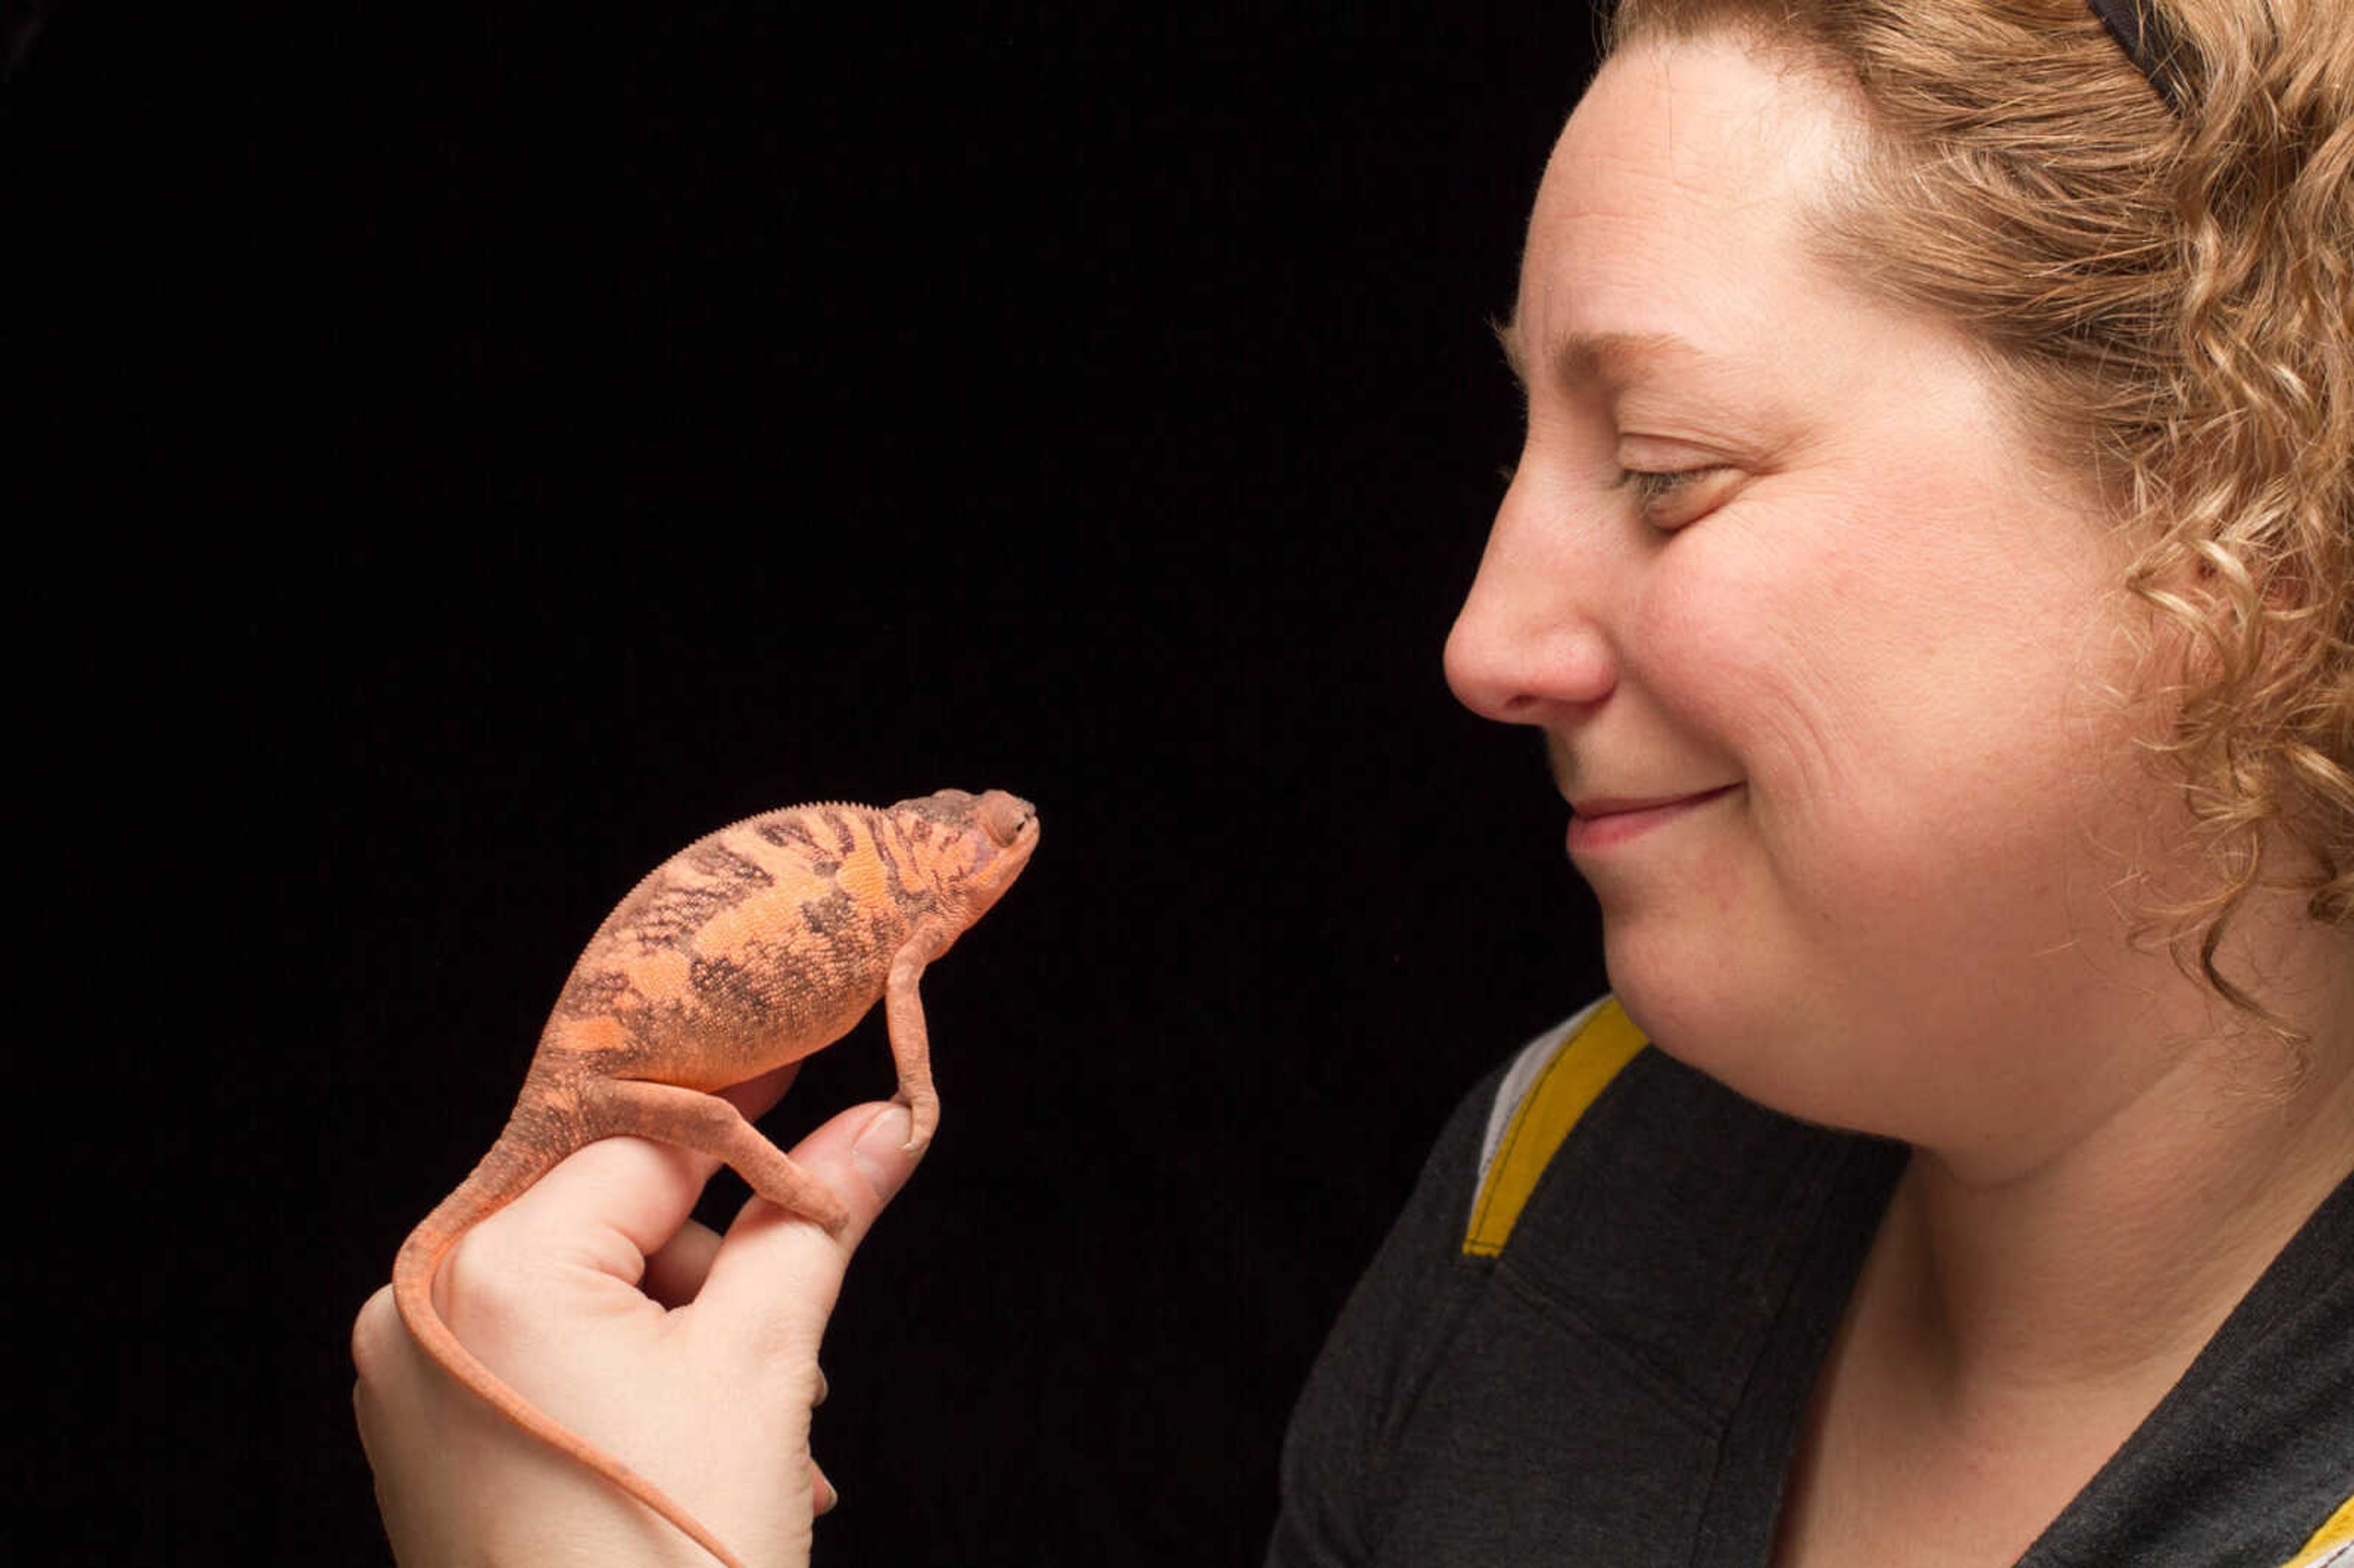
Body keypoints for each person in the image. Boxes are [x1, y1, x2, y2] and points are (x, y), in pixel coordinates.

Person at [352, 1, 2354, 1563]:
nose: (1485, 643)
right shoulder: (1555, 1171)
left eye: (1665, 473)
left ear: (2245, 516)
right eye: (1522, 455)